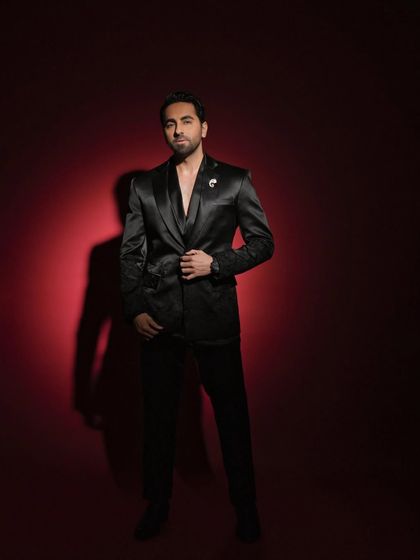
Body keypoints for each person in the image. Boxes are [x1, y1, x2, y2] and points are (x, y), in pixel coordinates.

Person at [120, 91, 274, 542]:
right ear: (164, 131)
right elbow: (131, 253)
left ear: (203, 127)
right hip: (159, 319)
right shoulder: (144, 186)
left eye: (186, 121)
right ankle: (156, 505)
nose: (178, 130)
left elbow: (264, 243)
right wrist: (135, 308)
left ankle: (246, 509)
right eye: (170, 123)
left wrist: (218, 263)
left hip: (215, 317)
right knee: (158, 420)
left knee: (232, 419)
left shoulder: (235, 181)